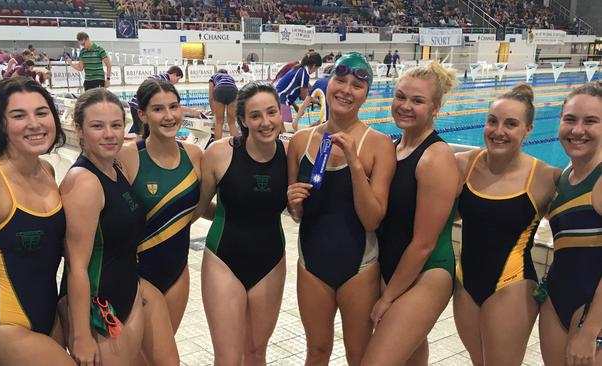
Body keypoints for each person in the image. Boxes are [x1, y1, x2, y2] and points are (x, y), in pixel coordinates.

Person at [0, 77, 74, 366]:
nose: (34, 123)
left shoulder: (46, 171)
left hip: (47, 317)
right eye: (19, 115)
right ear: (0, 124)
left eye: (41, 113)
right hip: (1, 324)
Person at [287, 52, 396, 365]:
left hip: (359, 267)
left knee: (359, 356)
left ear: (366, 95)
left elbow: (373, 219)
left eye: (357, 86)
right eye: (340, 80)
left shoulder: (378, 145)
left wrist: (352, 160)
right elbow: (299, 213)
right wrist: (294, 205)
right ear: (329, 82)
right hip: (311, 264)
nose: (346, 90)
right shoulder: (300, 142)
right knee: (317, 351)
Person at [59, 88, 179, 366]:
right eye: (97, 126)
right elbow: (76, 266)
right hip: (99, 307)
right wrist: (80, 335)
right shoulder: (84, 182)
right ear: (79, 129)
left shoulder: (116, 168)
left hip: (129, 289)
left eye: (115, 125)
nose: (110, 134)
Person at [453, 84, 561, 365]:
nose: (498, 131)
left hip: (512, 285)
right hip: (465, 283)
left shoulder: (545, 177)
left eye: (511, 124)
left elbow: (573, 234)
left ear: (528, 130)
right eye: (492, 121)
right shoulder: (462, 164)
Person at [362, 62, 460, 365]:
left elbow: (423, 243)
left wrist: (388, 297)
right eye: (400, 96)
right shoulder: (392, 148)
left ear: (436, 107)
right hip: (392, 265)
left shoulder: (436, 157)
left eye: (417, 101)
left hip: (427, 271)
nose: (405, 106)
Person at [195, 81, 288, 365]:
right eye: (255, 116)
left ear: (280, 114)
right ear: (244, 120)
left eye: (271, 113)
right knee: (227, 357)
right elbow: (198, 208)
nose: (265, 122)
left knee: (256, 353)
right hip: (223, 259)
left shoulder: (290, 153)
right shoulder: (220, 153)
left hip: (271, 262)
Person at [117, 79, 202, 333]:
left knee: (164, 352)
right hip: (137, 273)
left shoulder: (194, 155)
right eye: (158, 109)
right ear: (142, 114)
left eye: (174, 107)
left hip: (177, 270)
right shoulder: (127, 156)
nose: (169, 116)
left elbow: (196, 207)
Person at [539, 81, 602, 366]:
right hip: (556, 298)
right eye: (570, 119)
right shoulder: (565, 175)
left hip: (594, 312)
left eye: (591, 121)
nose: (577, 130)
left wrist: (590, 331)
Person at [128, 66, 201, 136]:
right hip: (139, 106)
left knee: (142, 133)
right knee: (143, 134)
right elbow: (170, 104)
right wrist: (192, 111)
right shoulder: (163, 83)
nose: (177, 82)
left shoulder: (160, 78)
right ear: (174, 74)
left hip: (135, 105)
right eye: (177, 79)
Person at [275, 52, 322, 124]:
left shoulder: (299, 68)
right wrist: (318, 101)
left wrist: (296, 106)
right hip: (281, 101)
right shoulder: (303, 74)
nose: (315, 71)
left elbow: (289, 91)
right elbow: (304, 97)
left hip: (278, 99)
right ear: (314, 66)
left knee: (283, 127)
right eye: (317, 68)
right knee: (286, 129)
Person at [291, 65, 333, 131]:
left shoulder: (320, 83)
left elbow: (305, 104)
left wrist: (296, 121)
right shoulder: (340, 85)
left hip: (326, 123)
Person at [208, 69, 239, 140]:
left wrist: (213, 111)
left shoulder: (213, 77)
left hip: (219, 89)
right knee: (232, 123)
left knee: (219, 122)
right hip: (233, 90)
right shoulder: (230, 77)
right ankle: (236, 146)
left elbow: (210, 97)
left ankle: (217, 146)